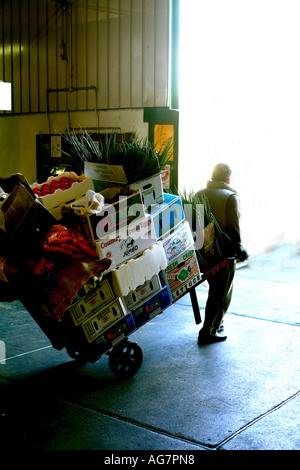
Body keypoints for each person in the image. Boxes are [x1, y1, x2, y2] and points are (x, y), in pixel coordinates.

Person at [196, 163, 248, 345]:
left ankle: (217, 323)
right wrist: (239, 250)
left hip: (202, 254)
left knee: (216, 290)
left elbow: (193, 224)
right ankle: (208, 331)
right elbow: (233, 229)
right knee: (221, 293)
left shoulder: (199, 194)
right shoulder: (230, 197)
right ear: (228, 179)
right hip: (222, 255)